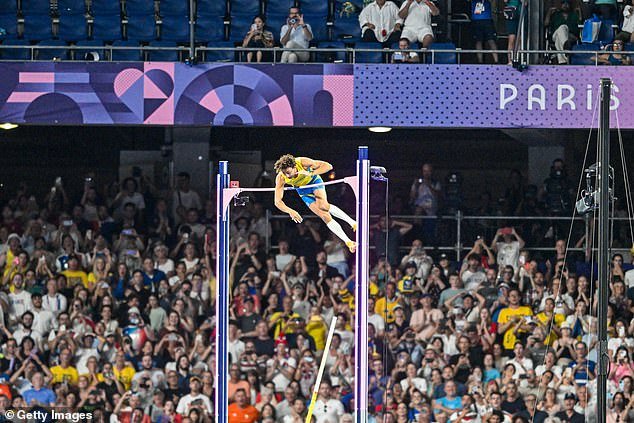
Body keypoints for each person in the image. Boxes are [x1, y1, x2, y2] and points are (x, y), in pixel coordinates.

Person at [273, 154, 357, 252]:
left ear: (294, 166)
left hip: (314, 181)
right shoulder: (281, 177)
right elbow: (277, 201)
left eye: (288, 172)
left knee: (323, 206)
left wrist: (311, 173)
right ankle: (349, 242)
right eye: (284, 173)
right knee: (325, 216)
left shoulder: (302, 162)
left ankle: (353, 223)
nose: (287, 176)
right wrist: (290, 211)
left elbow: (328, 166)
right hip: (303, 191)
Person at [545, 0, 582, 64]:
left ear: (570, 5)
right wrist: (549, 12)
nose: (565, 5)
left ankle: (563, 61)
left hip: (571, 36)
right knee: (562, 28)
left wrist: (579, 12)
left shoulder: (573, 15)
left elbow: (580, 23)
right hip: (555, 34)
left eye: (567, 3)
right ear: (561, 5)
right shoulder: (556, 15)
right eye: (563, 3)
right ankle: (566, 46)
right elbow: (546, 24)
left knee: (558, 39)